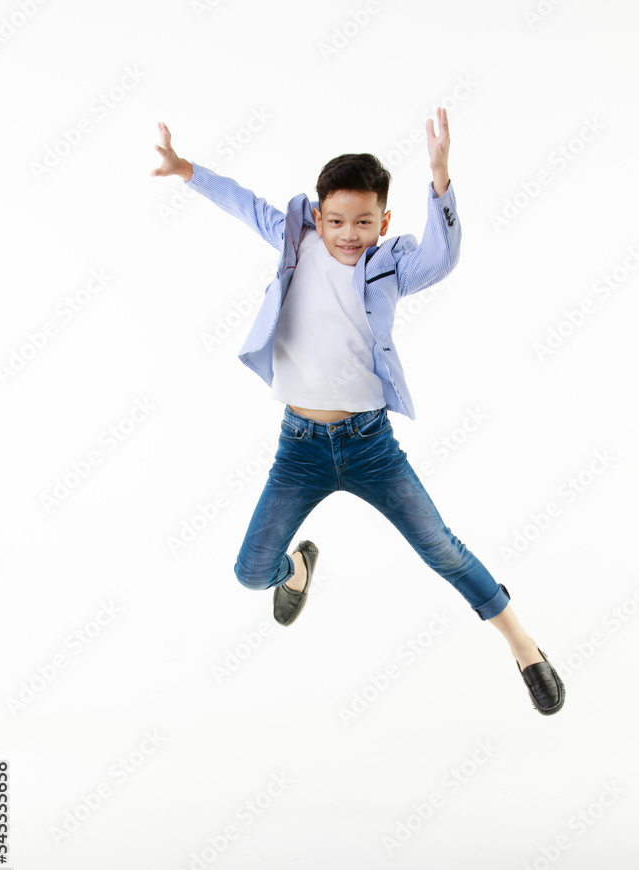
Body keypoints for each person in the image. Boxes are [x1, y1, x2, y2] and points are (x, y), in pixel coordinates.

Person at [151, 113, 565, 716]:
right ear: (318, 216)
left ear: (383, 222)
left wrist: (441, 178)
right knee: (249, 572)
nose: (349, 233)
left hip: (371, 445)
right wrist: (185, 169)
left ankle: (524, 648)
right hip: (300, 447)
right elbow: (242, 202)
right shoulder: (297, 241)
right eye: (337, 220)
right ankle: (297, 568)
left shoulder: (391, 263)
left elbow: (444, 258)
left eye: (364, 221)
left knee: (442, 550)